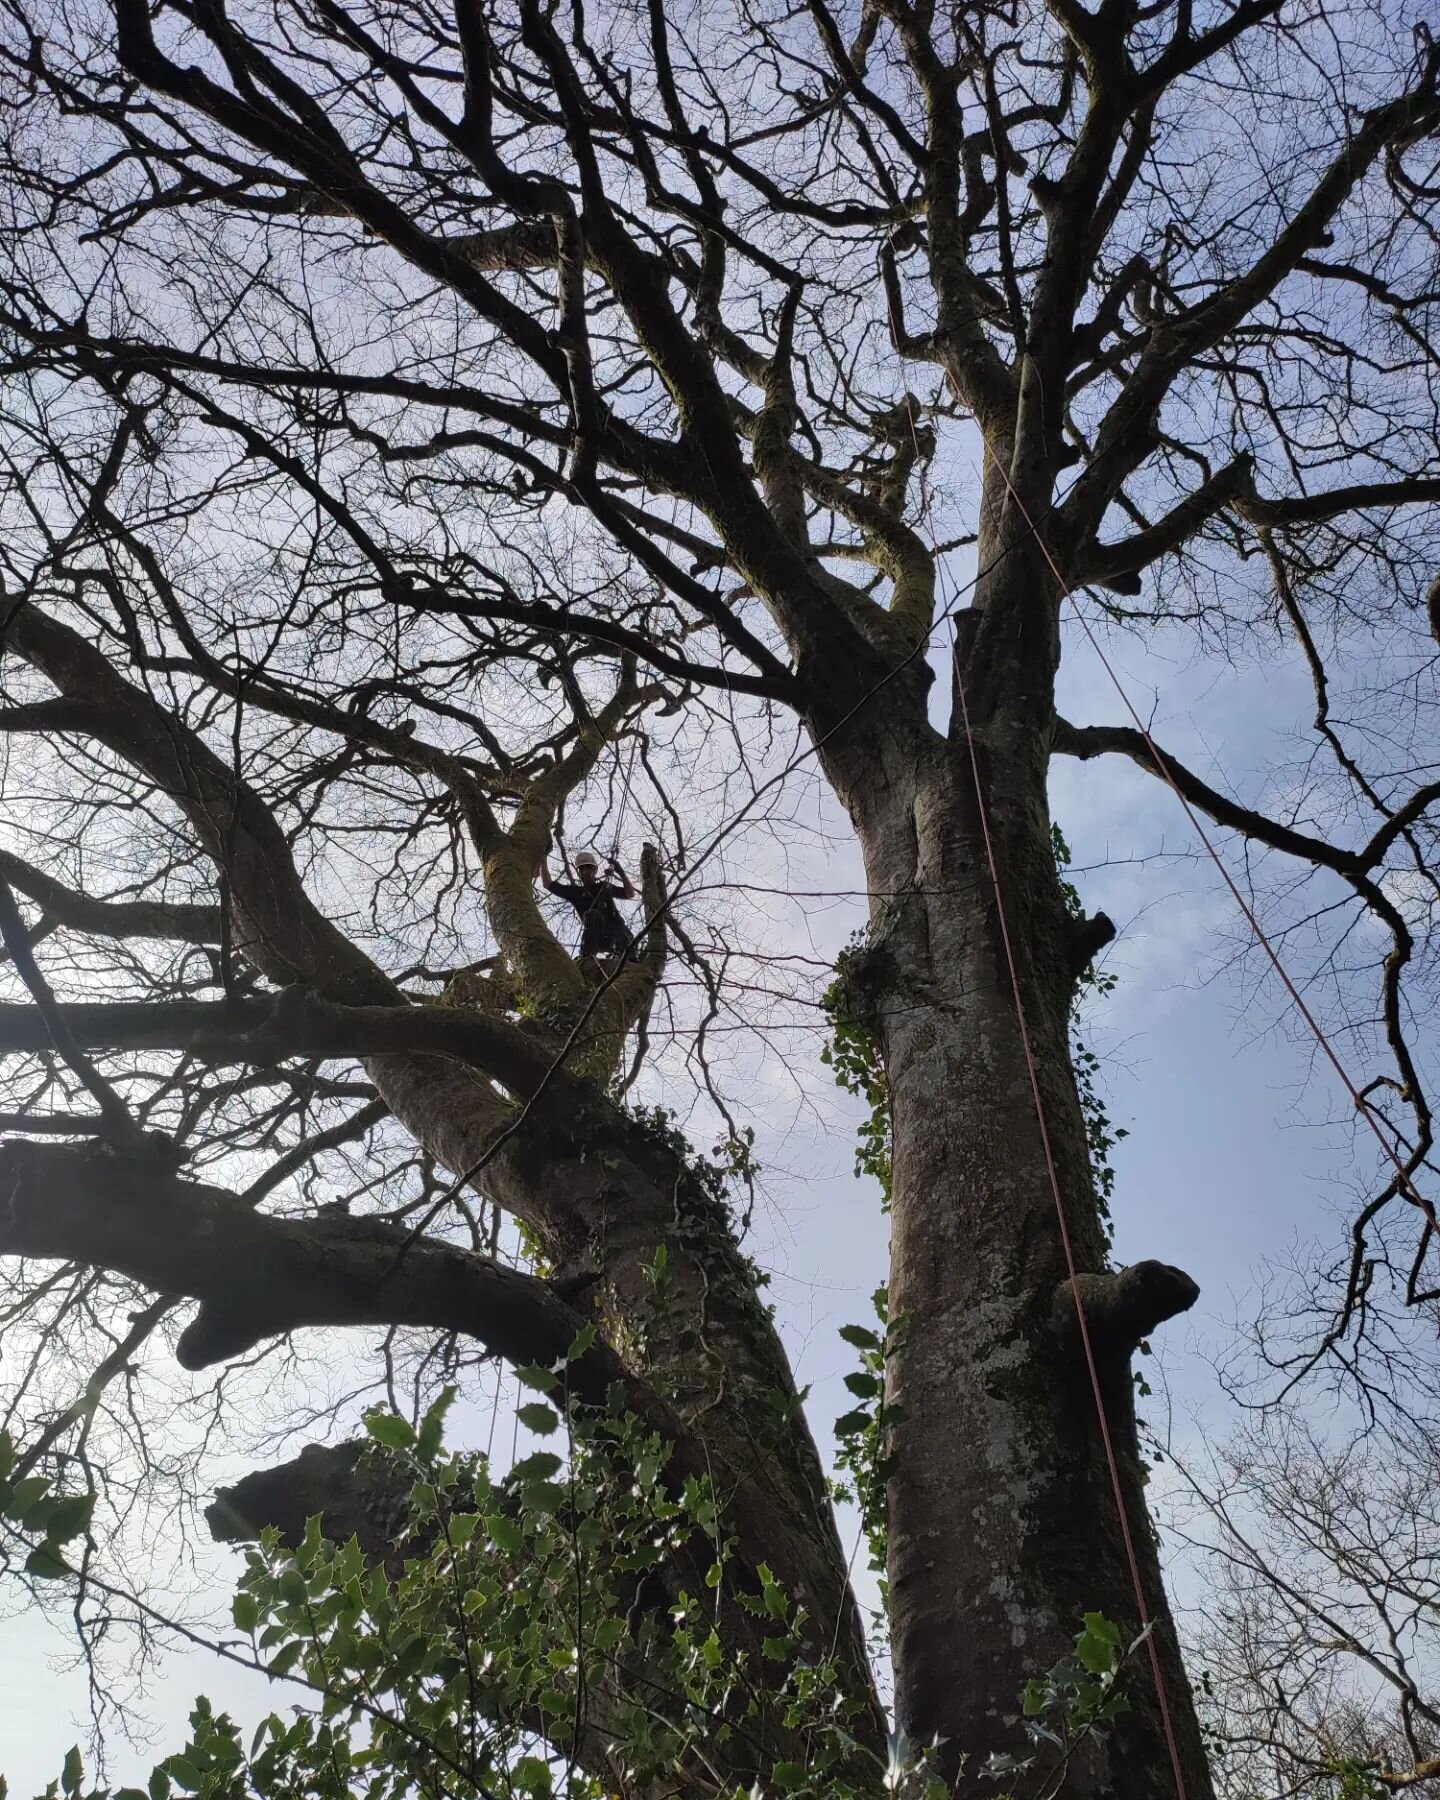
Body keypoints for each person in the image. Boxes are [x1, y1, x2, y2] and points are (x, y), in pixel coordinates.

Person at [537, 848, 636, 960]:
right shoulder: (575, 893)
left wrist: (621, 873)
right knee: (592, 915)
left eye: (589, 868)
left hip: (617, 934)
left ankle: (628, 958)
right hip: (597, 937)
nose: (585, 872)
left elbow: (629, 894)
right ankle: (587, 956)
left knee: (621, 929)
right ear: (579, 873)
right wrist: (543, 857)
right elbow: (548, 883)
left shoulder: (604, 887)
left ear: (595, 870)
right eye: (582, 869)